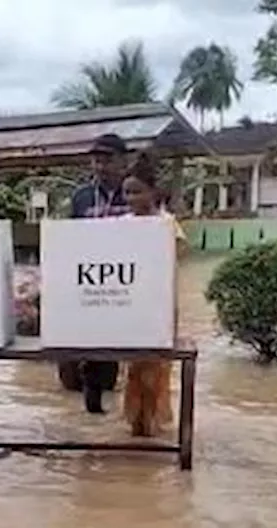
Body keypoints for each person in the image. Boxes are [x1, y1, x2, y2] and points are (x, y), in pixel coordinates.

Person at [119, 152, 188, 437]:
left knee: (157, 368)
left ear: (153, 192)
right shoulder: (121, 224)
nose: (131, 199)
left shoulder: (167, 224)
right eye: (126, 193)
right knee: (133, 370)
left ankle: (153, 424)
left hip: (159, 305)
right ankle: (137, 425)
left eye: (137, 192)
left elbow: (179, 254)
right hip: (130, 305)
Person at [60, 133, 130, 413]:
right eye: (96, 161)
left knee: (123, 358)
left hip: (127, 284)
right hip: (90, 283)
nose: (101, 167)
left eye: (107, 160)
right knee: (92, 354)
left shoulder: (136, 192)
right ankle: (94, 416)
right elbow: (71, 241)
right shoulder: (81, 197)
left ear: (123, 161)